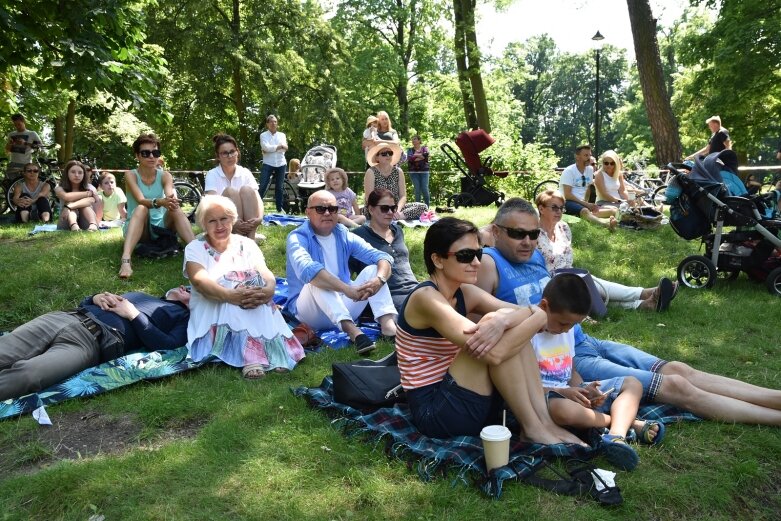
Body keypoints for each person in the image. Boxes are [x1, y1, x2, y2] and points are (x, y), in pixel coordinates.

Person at [476, 197, 781, 426]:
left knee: (679, 369)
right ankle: (773, 418)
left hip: (580, 339)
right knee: (676, 387)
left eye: (532, 234)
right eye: (517, 234)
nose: (528, 241)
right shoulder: (488, 263)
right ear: (496, 231)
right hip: (564, 358)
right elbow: (478, 318)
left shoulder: (534, 258)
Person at [396, 217, 585, 445]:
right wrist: (507, 320)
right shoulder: (425, 299)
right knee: (495, 328)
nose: (476, 262)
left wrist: (504, 322)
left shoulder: (465, 292)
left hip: (468, 398)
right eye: (465, 256)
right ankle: (533, 427)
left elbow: (534, 313)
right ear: (437, 259)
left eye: (478, 253)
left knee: (503, 324)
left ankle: (544, 423)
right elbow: (494, 352)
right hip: (436, 414)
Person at [532, 274, 664, 470]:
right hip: (545, 399)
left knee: (632, 383)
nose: (566, 329)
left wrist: (583, 389)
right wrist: (565, 393)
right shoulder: (530, 336)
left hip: (571, 394)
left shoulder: (565, 331)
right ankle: (628, 422)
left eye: (573, 325)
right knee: (564, 410)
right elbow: (526, 387)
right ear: (544, 307)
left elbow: (571, 371)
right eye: (562, 323)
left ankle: (616, 436)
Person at [184, 195, 304, 379]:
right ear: (203, 224)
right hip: (213, 305)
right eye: (212, 221)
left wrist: (269, 289)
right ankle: (251, 357)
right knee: (233, 285)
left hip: (249, 300)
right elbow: (200, 281)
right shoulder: (194, 248)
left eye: (224, 219)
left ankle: (275, 351)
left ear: (232, 219)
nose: (219, 226)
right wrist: (230, 295)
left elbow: (264, 271)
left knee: (256, 286)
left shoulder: (246, 244)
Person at [0, 288, 191, 401]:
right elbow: (91, 302)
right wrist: (94, 297)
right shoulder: (143, 295)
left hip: (87, 344)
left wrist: (133, 315)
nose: (184, 287)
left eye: (191, 290)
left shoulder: (183, 317)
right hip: (65, 318)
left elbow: (168, 345)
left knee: (30, 375)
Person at [285, 190, 397, 355]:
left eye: (333, 209)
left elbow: (381, 256)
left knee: (374, 269)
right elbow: (308, 270)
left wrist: (379, 280)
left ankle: (389, 328)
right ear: (308, 212)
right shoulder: (297, 237)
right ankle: (355, 333)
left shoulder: (343, 234)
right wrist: (347, 289)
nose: (328, 213)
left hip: (344, 305)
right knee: (316, 279)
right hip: (310, 313)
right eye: (321, 209)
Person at [535, 190, 675, 312]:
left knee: (595, 290)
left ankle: (643, 304)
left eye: (561, 208)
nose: (559, 211)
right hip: (551, 282)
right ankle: (645, 293)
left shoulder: (563, 228)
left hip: (570, 274)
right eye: (554, 208)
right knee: (592, 287)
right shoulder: (532, 235)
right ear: (541, 209)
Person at [119, 133, 195, 279]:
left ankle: (196, 249)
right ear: (137, 156)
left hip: (160, 226)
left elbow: (169, 196)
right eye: (145, 153)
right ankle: (126, 259)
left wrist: (171, 200)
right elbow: (141, 200)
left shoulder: (165, 175)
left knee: (174, 207)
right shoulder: (130, 175)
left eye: (155, 153)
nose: (151, 157)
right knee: (142, 208)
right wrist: (160, 202)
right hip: (139, 226)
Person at [350, 189, 418, 310]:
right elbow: (346, 274)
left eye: (393, 208)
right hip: (386, 297)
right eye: (384, 208)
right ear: (371, 209)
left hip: (414, 289)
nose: (390, 212)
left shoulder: (398, 231)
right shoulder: (357, 236)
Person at [204, 133, 264, 240]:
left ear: (237, 152)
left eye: (232, 152)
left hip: (248, 222)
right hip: (223, 222)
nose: (230, 156)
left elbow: (257, 199)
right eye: (225, 153)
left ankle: (251, 240)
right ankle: (238, 239)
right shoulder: (212, 174)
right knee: (231, 192)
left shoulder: (245, 172)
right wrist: (233, 222)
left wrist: (259, 219)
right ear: (218, 156)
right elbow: (211, 204)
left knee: (247, 190)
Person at [364, 142, 427, 221]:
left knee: (422, 206)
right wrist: (384, 208)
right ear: (377, 158)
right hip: (377, 207)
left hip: (394, 207)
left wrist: (396, 210)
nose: (388, 156)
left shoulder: (398, 171)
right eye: (384, 154)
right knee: (373, 210)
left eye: (390, 153)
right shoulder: (371, 172)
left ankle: (397, 217)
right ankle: (393, 217)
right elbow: (369, 198)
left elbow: (403, 196)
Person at [559, 145, 617, 230]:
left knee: (613, 210)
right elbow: (567, 195)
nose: (589, 158)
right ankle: (607, 225)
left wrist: (587, 202)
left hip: (582, 203)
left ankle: (632, 220)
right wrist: (585, 204)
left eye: (590, 155)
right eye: (586, 155)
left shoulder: (589, 169)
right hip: (566, 202)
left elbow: (588, 188)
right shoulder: (569, 171)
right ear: (577, 157)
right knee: (585, 211)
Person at [55, 160, 99, 232]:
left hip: (86, 220)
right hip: (65, 219)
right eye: (73, 172)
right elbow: (66, 196)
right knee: (72, 203)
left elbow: (91, 200)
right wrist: (87, 194)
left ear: (84, 175)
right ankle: (74, 225)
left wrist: (68, 207)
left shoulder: (90, 187)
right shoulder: (59, 187)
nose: (77, 175)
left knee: (83, 205)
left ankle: (93, 225)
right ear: (67, 173)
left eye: (80, 172)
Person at [259, 114, 288, 213]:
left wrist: (271, 149)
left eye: (275, 121)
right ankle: (256, 207)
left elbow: (284, 149)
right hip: (268, 163)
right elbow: (265, 148)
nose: (273, 123)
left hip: (281, 163)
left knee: (279, 188)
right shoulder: (263, 135)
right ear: (267, 124)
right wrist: (279, 147)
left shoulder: (282, 135)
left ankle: (279, 209)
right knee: (263, 185)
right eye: (271, 122)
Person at [405, 135, 431, 206]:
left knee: (425, 189)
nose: (413, 141)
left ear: (419, 140)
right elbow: (410, 159)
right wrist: (421, 156)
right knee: (417, 190)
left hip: (424, 171)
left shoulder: (425, 148)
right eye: (412, 139)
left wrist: (416, 156)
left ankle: (427, 207)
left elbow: (426, 157)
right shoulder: (410, 150)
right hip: (413, 172)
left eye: (415, 139)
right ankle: (417, 208)